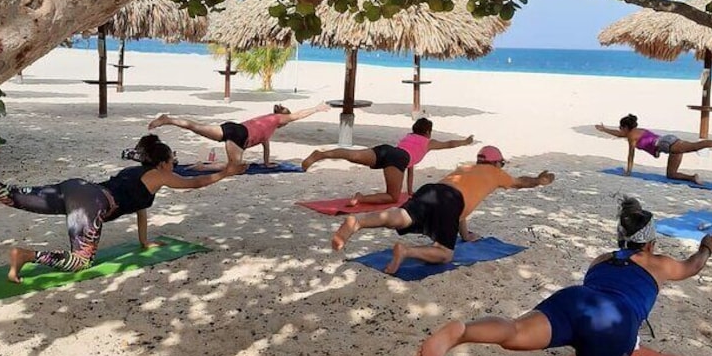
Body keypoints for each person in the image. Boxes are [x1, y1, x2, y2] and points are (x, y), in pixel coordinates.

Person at [417, 196, 712, 356]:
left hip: (574, 299)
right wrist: (707, 247)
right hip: (615, 320)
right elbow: (692, 266)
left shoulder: (602, 258)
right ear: (651, 243)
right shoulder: (660, 263)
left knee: (514, 330)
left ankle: (463, 331)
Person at [0, 135, 246, 283]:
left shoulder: (137, 172)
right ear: (163, 163)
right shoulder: (160, 175)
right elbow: (195, 183)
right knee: (81, 262)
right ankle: (24, 255)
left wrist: (144, 242)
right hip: (91, 203)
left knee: (12, 196)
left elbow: (141, 207)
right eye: (173, 159)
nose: (175, 163)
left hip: (75, 187)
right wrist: (227, 172)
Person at [331, 145, 554, 274]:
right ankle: (407, 251)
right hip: (450, 201)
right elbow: (520, 182)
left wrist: (465, 235)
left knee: (400, 216)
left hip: (432, 190)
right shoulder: (496, 174)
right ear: (497, 164)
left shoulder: (465, 168)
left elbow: (459, 212)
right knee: (445, 254)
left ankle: (358, 222)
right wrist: (538, 180)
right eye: (502, 165)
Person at [302, 117, 474, 206]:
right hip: (397, 159)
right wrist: (465, 142)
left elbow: (410, 167)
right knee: (392, 197)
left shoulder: (409, 138)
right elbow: (449, 144)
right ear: (428, 132)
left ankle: (320, 155)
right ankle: (360, 198)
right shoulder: (428, 143)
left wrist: (411, 190)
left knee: (352, 155)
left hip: (387, 150)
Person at [148, 102, 330, 169]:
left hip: (233, 127)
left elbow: (266, 147)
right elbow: (297, 115)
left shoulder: (266, 122)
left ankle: (167, 119)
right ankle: (202, 168)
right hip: (239, 136)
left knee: (196, 127)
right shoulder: (278, 119)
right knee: (235, 166)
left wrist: (267, 163)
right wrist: (316, 109)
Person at [596, 113, 712, 184]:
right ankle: (693, 177)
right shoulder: (637, 131)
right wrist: (604, 129)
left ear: (626, 127)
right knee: (671, 174)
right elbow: (619, 134)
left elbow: (631, 154)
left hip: (667, 144)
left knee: (695, 146)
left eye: (621, 127)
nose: (620, 130)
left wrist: (629, 171)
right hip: (668, 142)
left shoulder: (631, 137)